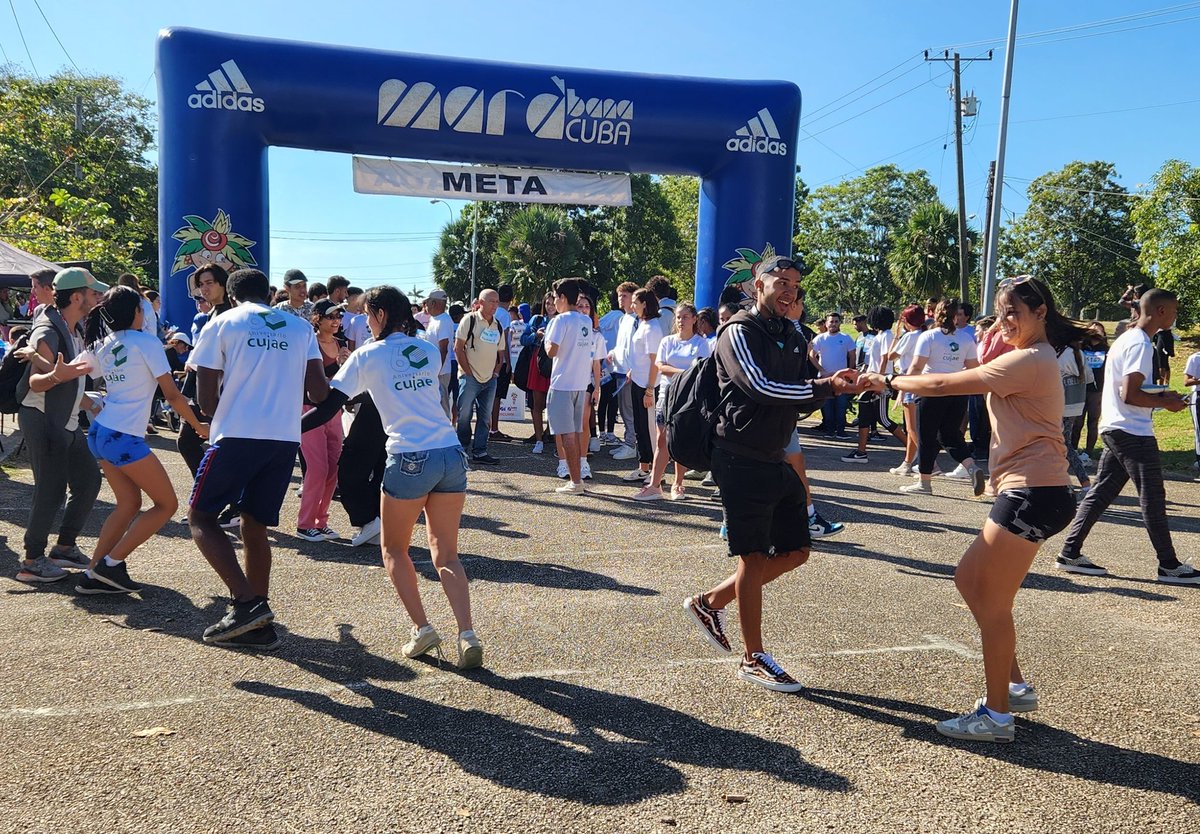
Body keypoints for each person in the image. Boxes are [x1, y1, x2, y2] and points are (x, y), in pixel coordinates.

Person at [860, 274, 1084, 743]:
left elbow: (944, 381)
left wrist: (884, 379)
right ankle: (1015, 687)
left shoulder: (1031, 359)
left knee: (994, 600)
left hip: (1033, 492)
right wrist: (991, 341)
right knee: (970, 582)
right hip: (1029, 491)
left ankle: (998, 715)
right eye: (999, 313)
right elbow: (979, 363)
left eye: (1014, 314)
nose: (1003, 322)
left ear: (1041, 313)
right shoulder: (1025, 353)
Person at [682, 254, 860, 692]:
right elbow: (757, 386)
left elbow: (805, 391)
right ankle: (752, 657)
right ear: (756, 286)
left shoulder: (794, 334)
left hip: (774, 455)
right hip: (737, 455)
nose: (788, 291)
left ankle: (709, 602)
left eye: (794, 285)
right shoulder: (737, 331)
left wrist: (846, 382)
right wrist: (824, 387)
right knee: (754, 556)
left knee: (798, 549)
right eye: (780, 281)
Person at [303, 286, 483, 669]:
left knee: (394, 549)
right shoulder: (428, 350)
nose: (365, 322)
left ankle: (422, 629)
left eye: (368, 315)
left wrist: (284, 429)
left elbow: (327, 406)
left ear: (380, 314)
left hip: (408, 456)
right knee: (447, 553)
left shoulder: (368, 355)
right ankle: (467, 633)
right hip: (449, 452)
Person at [188, 268, 329, 650]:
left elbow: (206, 400)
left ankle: (246, 602)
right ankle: (259, 625)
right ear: (268, 295)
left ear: (231, 296)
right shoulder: (300, 329)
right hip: (283, 439)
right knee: (254, 524)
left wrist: (231, 410)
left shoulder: (223, 322)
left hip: (236, 433)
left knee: (201, 517)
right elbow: (318, 392)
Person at [1056, 288, 1197, 584]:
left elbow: (1129, 390)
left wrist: (1161, 394)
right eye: (1174, 311)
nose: (1175, 316)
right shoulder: (1141, 344)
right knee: (1153, 497)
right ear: (1160, 311)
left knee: (1100, 493)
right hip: (1132, 431)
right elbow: (1129, 393)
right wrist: (1167, 402)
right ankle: (1169, 565)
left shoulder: (1127, 339)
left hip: (1116, 427)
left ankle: (1070, 552)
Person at [74, 286, 209, 595]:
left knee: (129, 504)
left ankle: (94, 572)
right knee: (167, 504)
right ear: (137, 312)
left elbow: (72, 372)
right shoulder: (147, 343)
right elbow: (172, 395)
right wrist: (197, 425)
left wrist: (41, 366)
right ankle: (111, 564)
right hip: (122, 435)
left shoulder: (103, 344)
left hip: (102, 431)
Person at [13, 267, 106, 583]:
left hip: (63, 420)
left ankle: (64, 547)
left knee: (89, 480)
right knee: (51, 491)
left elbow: (67, 380)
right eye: (94, 293)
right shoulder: (49, 331)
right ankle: (32, 561)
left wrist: (89, 402)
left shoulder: (72, 327)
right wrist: (56, 375)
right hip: (43, 420)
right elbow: (38, 383)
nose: (98, 298)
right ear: (77, 296)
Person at [901, 299, 985, 496]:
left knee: (926, 436)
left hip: (931, 391)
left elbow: (916, 367)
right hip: (956, 392)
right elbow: (974, 368)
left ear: (937, 314)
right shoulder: (966, 339)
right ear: (956, 316)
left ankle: (924, 482)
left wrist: (905, 387)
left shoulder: (929, 336)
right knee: (950, 434)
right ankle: (971, 467)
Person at [635, 302, 709, 501]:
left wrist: (677, 371)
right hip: (666, 396)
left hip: (688, 399)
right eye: (678, 317)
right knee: (662, 440)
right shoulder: (667, 341)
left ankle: (677, 484)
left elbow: (702, 370)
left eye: (685, 317)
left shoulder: (700, 344)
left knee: (680, 440)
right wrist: (685, 373)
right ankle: (655, 485)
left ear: (694, 319)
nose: (681, 320)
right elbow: (660, 365)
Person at [297, 299, 350, 542]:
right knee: (317, 469)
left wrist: (346, 363)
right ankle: (305, 523)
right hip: (309, 409)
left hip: (334, 410)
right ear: (317, 318)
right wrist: (337, 365)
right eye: (331, 316)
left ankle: (321, 521)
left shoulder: (342, 344)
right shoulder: (309, 343)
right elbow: (311, 379)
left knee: (334, 468)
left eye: (339, 316)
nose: (336, 320)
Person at [544, 278, 601, 494]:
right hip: (580, 382)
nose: (554, 302)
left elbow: (552, 351)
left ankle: (575, 482)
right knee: (576, 432)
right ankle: (577, 479)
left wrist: (546, 340)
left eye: (556, 298)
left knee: (566, 434)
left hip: (562, 383)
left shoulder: (559, 321)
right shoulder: (585, 320)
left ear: (562, 298)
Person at [842, 306, 906, 464]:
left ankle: (914, 447)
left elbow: (885, 359)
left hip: (879, 381)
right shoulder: (879, 335)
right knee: (864, 414)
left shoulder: (886, 335)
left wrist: (880, 382)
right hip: (870, 380)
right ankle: (861, 452)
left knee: (883, 418)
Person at [454, 288, 504, 465]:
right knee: (465, 415)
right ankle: (462, 450)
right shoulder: (470, 320)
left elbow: (501, 352)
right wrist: (467, 372)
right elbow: (458, 348)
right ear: (481, 302)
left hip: (489, 379)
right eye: (492, 301)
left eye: (497, 302)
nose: (495, 305)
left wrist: (496, 372)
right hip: (469, 378)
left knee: (484, 417)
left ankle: (480, 451)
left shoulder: (497, 324)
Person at [621, 288, 665, 484]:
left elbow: (655, 361)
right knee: (640, 427)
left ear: (644, 304)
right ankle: (644, 467)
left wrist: (649, 389)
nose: (632, 306)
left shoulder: (653, 327)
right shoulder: (643, 324)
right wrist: (633, 370)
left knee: (649, 429)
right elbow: (641, 356)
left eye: (635, 303)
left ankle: (657, 472)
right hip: (638, 381)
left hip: (649, 385)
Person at [885, 304, 925, 475]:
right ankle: (908, 462)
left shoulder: (909, 336)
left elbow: (891, 356)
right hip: (922, 379)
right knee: (914, 426)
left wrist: (897, 336)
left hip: (908, 379)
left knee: (912, 428)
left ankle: (928, 461)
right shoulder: (925, 335)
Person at [606, 282, 641, 462]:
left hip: (629, 371)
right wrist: (612, 353)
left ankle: (631, 444)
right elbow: (621, 344)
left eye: (625, 296)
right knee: (623, 407)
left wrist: (633, 369)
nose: (621, 299)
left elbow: (638, 347)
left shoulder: (637, 319)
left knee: (628, 409)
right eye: (620, 295)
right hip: (619, 369)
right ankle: (628, 441)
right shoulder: (623, 318)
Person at [519, 292, 555, 453]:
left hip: (557, 364)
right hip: (538, 362)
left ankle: (552, 435)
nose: (550, 306)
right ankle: (539, 440)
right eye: (547, 303)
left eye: (553, 303)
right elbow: (523, 339)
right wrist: (536, 335)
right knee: (537, 404)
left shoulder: (563, 320)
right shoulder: (537, 319)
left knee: (555, 404)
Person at [1057, 338, 1093, 496]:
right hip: (1075, 404)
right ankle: (1066, 482)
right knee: (1064, 443)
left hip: (1061, 404)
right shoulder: (1079, 354)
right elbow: (1090, 377)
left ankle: (1084, 483)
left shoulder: (1062, 355)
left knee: (1064, 445)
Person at [809, 312, 855, 438]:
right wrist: (821, 370)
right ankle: (829, 431)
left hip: (842, 379)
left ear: (840, 323)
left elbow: (852, 356)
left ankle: (841, 431)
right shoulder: (820, 338)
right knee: (826, 406)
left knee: (841, 406)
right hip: (825, 378)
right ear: (826, 323)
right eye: (831, 321)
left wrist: (850, 372)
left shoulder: (846, 338)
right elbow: (811, 355)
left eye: (836, 321)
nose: (833, 324)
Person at [596, 288, 626, 446]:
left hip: (602, 363)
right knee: (613, 399)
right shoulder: (622, 318)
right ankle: (610, 433)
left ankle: (601, 432)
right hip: (616, 363)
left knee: (603, 399)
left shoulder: (605, 317)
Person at [1075, 322, 1108, 461]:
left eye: (1098, 331)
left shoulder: (1107, 349)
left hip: (1097, 390)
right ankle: (1073, 450)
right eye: (1092, 330)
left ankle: (1088, 452)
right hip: (1081, 388)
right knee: (1077, 422)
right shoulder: (1081, 347)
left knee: (1093, 422)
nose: (1095, 333)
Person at [421, 289, 455, 418]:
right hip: (433, 369)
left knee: (442, 403)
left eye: (427, 302)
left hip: (440, 371)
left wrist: (436, 370)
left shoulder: (444, 321)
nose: (426, 306)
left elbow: (444, 348)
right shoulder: (435, 319)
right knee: (435, 403)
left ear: (434, 303)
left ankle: (446, 433)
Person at [488, 284, 515, 441]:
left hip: (488, 357)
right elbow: (503, 338)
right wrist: (508, 361)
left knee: (489, 394)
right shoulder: (504, 314)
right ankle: (494, 428)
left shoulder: (493, 311)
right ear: (511, 298)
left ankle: (488, 427)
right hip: (500, 359)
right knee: (497, 396)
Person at [116, 274, 159, 340]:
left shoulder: (116, 302)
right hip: (144, 340)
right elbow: (152, 327)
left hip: (122, 340)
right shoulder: (144, 301)